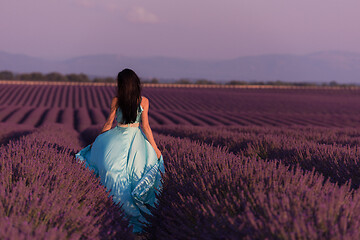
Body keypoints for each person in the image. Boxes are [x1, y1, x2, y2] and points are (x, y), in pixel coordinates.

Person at [75, 68, 165, 234]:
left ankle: (118, 217)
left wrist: (97, 142)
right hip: (137, 141)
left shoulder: (116, 100)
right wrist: (155, 148)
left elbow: (109, 123)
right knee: (137, 175)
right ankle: (139, 222)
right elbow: (145, 126)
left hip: (116, 138)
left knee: (114, 174)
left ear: (122, 84)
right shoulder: (144, 100)